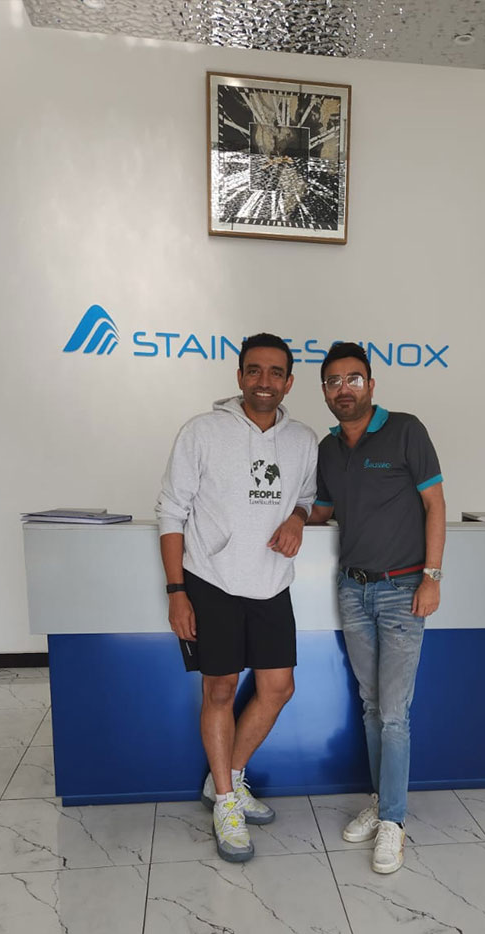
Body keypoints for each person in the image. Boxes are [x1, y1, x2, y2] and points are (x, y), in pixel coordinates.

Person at [156, 333, 317, 863]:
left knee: (278, 688)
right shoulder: (201, 432)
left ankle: (227, 777)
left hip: (272, 583)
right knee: (220, 690)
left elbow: (309, 499)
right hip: (213, 581)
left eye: (275, 373)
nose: (264, 381)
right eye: (254, 371)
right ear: (240, 376)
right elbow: (171, 512)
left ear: (289, 381)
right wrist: (177, 592)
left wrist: (296, 517)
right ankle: (226, 801)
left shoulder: (303, 440)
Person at [308, 342, 446, 874]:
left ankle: (394, 821)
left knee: (393, 713)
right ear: (325, 391)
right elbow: (323, 509)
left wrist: (431, 578)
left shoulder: (407, 429)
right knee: (370, 705)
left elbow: (435, 504)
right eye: (334, 381)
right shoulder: (327, 448)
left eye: (354, 379)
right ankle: (380, 801)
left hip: (403, 589)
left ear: (371, 384)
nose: (344, 389)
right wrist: (295, 523)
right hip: (353, 589)